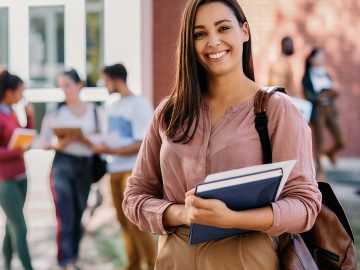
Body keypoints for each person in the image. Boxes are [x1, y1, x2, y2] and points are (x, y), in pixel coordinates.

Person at [122, 0, 322, 269]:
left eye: (223, 28)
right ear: (189, 44)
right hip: (175, 260)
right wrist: (182, 213)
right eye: (200, 34)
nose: (213, 41)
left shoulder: (277, 110)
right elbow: (135, 196)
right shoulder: (169, 112)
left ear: (245, 32)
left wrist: (233, 219)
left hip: (247, 259)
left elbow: (305, 206)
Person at [93, 63, 156, 270]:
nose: (105, 84)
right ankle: (133, 265)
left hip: (132, 171)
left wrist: (113, 151)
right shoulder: (112, 106)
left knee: (137, 224)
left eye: (106, 80)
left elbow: (143, 143)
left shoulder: (139, 105)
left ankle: (155, 265)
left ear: (116, 79)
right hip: (114, 171)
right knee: (123, 224)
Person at [38, 69, 103, 270]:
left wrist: (84, 139)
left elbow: (103, 141)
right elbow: (44, 142)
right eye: (61, 86)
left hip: (85, 166)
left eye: (67, 85)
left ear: (79, 85)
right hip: (62, 165)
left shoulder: (94, 111)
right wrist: (61, 144)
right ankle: (66, 261)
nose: (64, 90)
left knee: (79, 213)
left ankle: (73, 257)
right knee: (65, 215)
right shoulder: (56, 113)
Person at [0, 70, 34, 270]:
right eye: (20, 90)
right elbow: (13, 149)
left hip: (21, 175)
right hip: (5, 180)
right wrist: (17, 152)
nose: (22, 94)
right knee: (20, 227)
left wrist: (29, 118)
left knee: (11, 225)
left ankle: (5, 265)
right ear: (9, 92)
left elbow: (23, 136)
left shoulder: (11, 112)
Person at [302, 48, 345, 180]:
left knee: (341, 140)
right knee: (319, 142)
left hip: (330, 109)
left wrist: (331, 93)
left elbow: (334, 89)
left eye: (323, 57)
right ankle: (320, 171)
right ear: (312, 59)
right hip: (318, 110)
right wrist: (322, 95)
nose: (322, 59)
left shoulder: (326, 73)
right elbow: (309, 95)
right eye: (319, 57)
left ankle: (330, 152)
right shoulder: (307, 77)